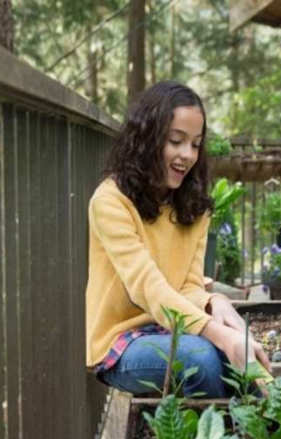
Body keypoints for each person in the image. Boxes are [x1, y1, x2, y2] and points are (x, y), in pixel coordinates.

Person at [85, 81, 271, 398]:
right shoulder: (110, 201)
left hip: (175, 326)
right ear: (147, 139)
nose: (187, 155)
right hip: (123, 341)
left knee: (241, 351)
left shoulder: (193, 204)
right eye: (176, 141)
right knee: (202, 360)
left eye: (196, 145)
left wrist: (215, 302)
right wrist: (217, 333)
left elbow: (187, 285)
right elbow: (148, 289)